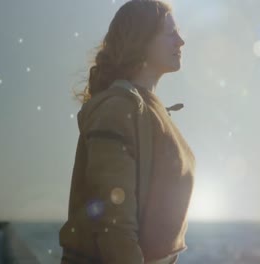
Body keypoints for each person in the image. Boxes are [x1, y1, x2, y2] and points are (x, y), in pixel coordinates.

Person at [59, 1, 194, 263]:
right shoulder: (118, 109)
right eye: (170, 33)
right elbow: (114, 224)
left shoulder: (151, 111)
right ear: (141, 40)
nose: (181, 41)